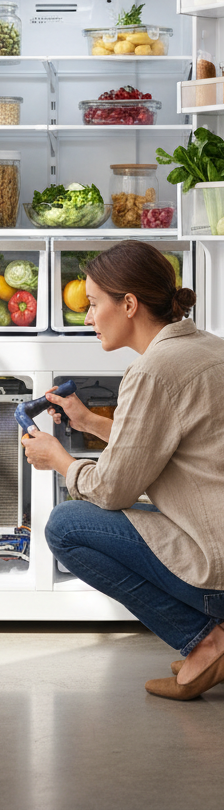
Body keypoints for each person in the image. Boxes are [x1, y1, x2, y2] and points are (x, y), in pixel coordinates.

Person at [22, 240, 224, 701]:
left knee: (67, 525)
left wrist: (61, 460)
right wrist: (90, 422)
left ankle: (206, 640)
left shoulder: (154, 371)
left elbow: (113, 490)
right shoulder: (209, 347)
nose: (88, 317)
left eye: (93, 304)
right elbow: (171, 448)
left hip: (217, 570)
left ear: (128, 304)